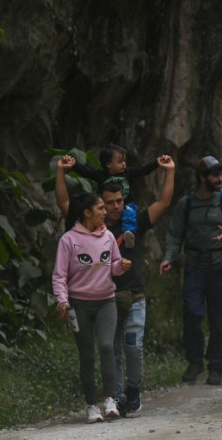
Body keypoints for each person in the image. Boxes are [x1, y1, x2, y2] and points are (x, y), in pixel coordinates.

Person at [56, 153, 176, 415]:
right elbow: (64, 202)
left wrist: (169, 171)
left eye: (120, 201)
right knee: (112, 350)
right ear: (100, 204)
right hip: (105, 298)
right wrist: (61, 172)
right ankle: (117, 397)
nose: (115, 207)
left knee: (132, 346)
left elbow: (164, 202)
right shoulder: (87, 227)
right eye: (109, 203)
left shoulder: (134, 221)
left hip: (133, 295)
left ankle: (132, 389)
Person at [159, 155, 222, 386]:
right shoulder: (186, 205)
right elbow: (175, 235)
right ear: (202, 178)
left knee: (218, 319)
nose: (219, 179)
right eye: (214, 174)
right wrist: (168, 258)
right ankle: (194, 362)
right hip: (195, 267)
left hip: (220, 268)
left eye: (220, 174)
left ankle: (216, 366)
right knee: (192, 313)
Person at [51, 192, 131, 423]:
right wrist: (62, 301)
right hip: (78, 305)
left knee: (107, 346)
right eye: (101, 208)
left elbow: (113, 265)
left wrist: (121, 266)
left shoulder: (107, 236)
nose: (106, 212)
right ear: (87, 213)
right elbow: (59, 275)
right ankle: (91, 406)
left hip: (107, 301)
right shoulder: (69, 240)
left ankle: (110, 400)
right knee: (86, 356)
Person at [72, 144, 159, 247]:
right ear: (108, 164)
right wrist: (74, 164)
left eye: (124, 161)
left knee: (130, 213)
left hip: (126, 205)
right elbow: (86, 171)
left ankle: (129, 234)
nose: (124, 164)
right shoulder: (101, 175)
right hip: (105, 208)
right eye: (120, 162)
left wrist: (156, 163)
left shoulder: (128, 173)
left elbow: (143, 170)